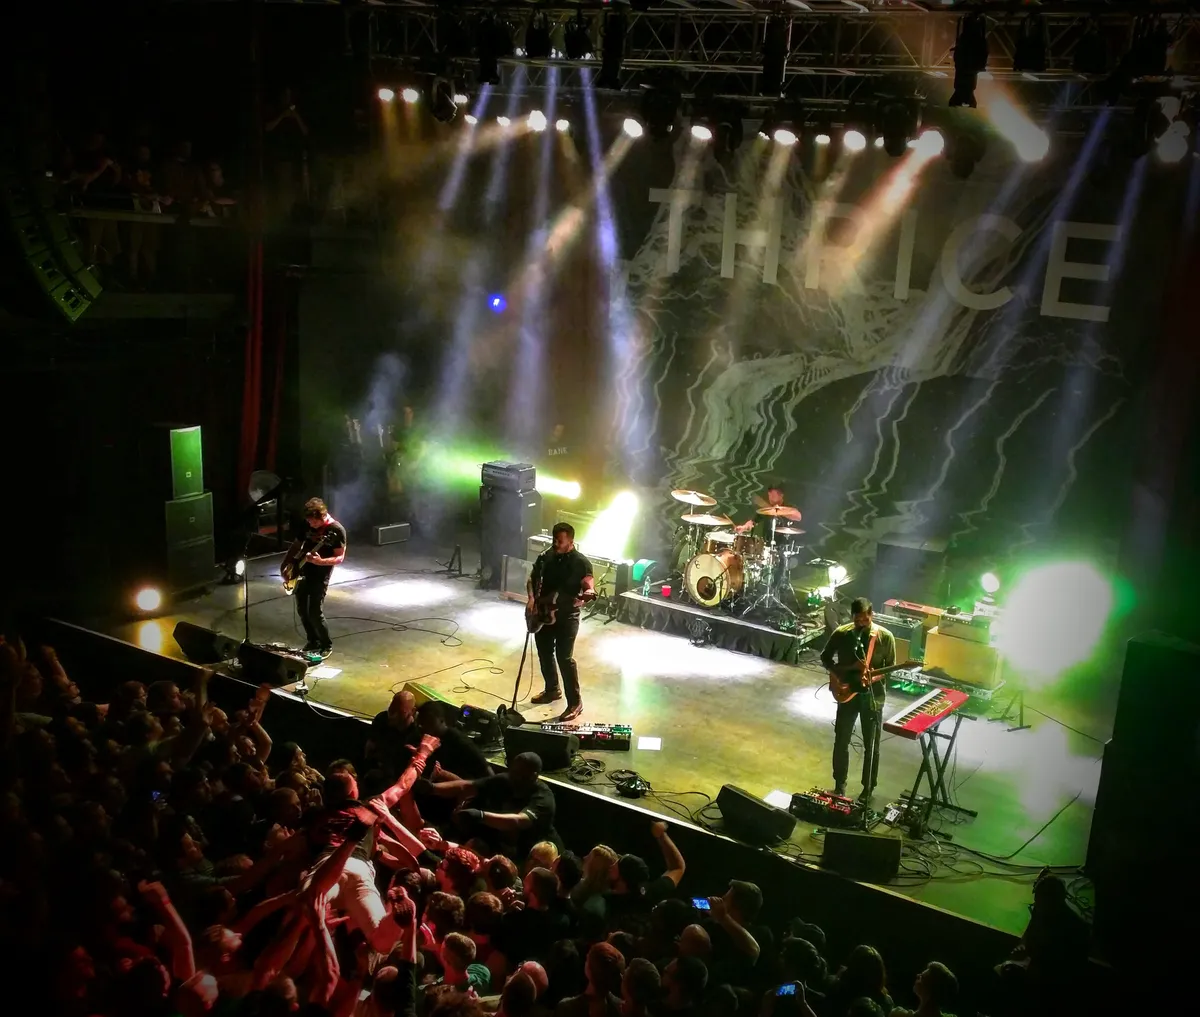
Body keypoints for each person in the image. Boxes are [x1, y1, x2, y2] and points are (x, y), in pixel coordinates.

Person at [819, 598, 895, 803]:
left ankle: (868, 789)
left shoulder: (885, 637)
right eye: (858, 619)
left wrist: (874, 676)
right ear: (852, 617)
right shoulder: (842, 633)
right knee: (841, 740)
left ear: (872, 615)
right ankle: (839, 785)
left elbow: (890, 669)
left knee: (872, 745)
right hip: (847, 696)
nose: (862, 622)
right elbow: (825, 657)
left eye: (866, 618)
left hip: (873, 698)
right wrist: (838, 677)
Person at [433, 752, 559, 860]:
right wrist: (432, 788)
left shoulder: (543, 797)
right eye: (513, 771)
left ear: (534, 775)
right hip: (501, 846)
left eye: (520, 774)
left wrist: (480, 816)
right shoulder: (505, 781)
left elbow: (518, 821)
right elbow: (467, 786)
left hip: (529, 853)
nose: (514, 777)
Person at [527, 522, 595, 722]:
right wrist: (532, 600)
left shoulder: (579, 562)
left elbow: (587, 581)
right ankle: (552, 690)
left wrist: (589, 592)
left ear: (571, 541)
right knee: (544, 652)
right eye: (554, 539)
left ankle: (575, 703)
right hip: (544, 614)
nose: (556, 543)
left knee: (564, 658)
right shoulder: (545, 557)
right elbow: (532, 579)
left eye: (560, 541)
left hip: (567, 616)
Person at [284, 497, 347, 658]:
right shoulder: (306, 524)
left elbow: (339, 557)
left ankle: (326, 644)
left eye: (313, 522)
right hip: (301, 571)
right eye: (309, 522)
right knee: (302, 610)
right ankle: (312, 641)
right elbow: (297, 544)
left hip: (320, 575)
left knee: (314, 612)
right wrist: (287, 563)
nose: (310, 525)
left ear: (321, 517)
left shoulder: (336, 530)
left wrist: (320, 561)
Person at [733, 486, 799, 535]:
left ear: (781, 495)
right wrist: (744, 527)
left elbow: (798, 517)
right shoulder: (767, 510)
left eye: (773, 496)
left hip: (785, 546)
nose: (770, 498)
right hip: (767, 544)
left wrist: (780, 511)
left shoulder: (789, 507)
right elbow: (753, 521)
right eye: (769, 495)